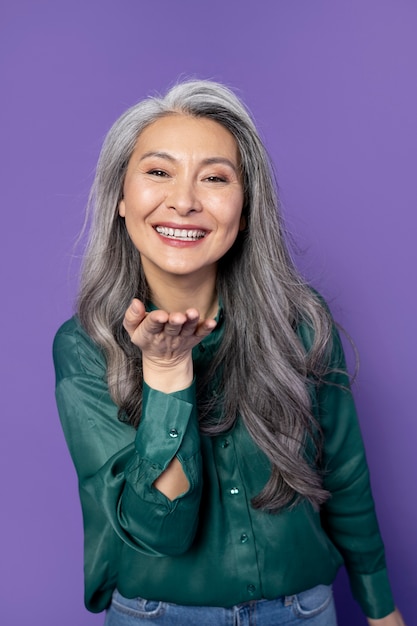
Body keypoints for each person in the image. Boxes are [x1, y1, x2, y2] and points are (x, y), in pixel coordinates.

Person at [53, 79, 405, 626]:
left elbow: (345, 475)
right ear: (121, 198)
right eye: (158, 172)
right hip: (157, 615)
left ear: (244, 210)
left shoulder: (302, 322)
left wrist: (381, 609)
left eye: (215, 178)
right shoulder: (83, 348)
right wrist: (167, 373)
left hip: (302, 612)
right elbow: (158, 531)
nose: (185, 201)